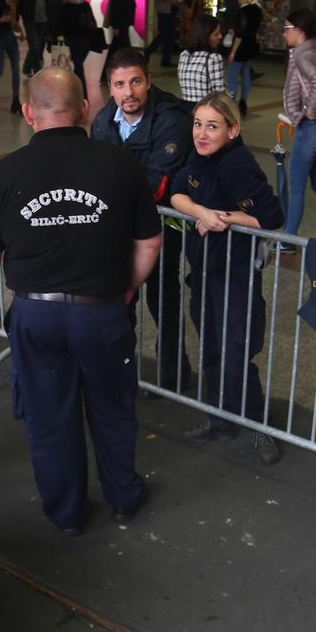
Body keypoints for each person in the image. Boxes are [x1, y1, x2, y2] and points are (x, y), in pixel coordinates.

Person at [0, 69, 162, 537]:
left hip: (35, 314)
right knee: (113, 410)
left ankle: (67, 513)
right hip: (101, 312)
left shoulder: (5, 173)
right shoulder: (119, 164)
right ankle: (123, 498)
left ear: (28, 112)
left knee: (48, 416)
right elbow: (150, 241)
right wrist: (127, 287)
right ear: (85, 109)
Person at [168, 91, 284, 464]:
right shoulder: (199, 157)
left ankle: (259, 425)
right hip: (206, 270)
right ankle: (220, 418)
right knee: (212, 347)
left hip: (236, 273)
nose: (201, 134)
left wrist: (225, 218)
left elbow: (272, 217)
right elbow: (176, 194)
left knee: (237, 351)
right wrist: (202, 212)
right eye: (197, 124)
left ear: (232, 130)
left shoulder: (237, 165)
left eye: (212, 127)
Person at [90, 47, 194, 390]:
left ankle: (173, 375)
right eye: (119, 84)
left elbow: (156, 183)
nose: (128, 92)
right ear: (110, 87)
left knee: (163, 300)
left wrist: (109, 205)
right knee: (120, 301)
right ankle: (122, 373)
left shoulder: (171, 121)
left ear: (149, 81)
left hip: (160, 228)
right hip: (119, 230)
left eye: (135, 82)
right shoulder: (103, 121)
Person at [280, 9, 316, 242]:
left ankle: (289, 239)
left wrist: (309, 112)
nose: (284, 34)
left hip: (310, 129)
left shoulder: (302, 56)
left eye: (286, 29)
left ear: (299, 31)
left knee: (296, 187)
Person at [60, 0, 103, 100]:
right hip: (86, 41)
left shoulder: (66, 6)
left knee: (78, 67)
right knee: (78, 65)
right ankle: (77, 92)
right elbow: (93, 22)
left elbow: (62, 24)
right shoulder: (85, 5)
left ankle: (82, 95)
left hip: (72, 40)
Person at [226, 0, 262, 116]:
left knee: (232, 75)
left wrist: (232, 52)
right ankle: (243, 102)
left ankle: (231, 102)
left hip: (240, 46)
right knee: (245, 73)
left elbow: (240, 33)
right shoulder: (258, 9)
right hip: (251, 44)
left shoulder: (243, 11)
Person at [16, 0, 55, 76]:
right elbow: (19, 0)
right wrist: (18, 16)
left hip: (43, 18)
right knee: (34, 47)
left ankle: (26, 68)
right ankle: (38, 72)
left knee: (37, 46)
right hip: (30, 18)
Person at [143, 0, 183, 69]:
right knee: (163, 33)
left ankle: (166, 58)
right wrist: (170, 0)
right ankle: (149, 50)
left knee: (170, 34)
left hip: (173, 7)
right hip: (164, 9)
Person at [176, 13, 227, 104]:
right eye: (216, 34)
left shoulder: (184, 55)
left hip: (186, 109)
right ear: (205, 37)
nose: (220, 36)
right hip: (205, 109)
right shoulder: (213, 58)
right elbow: (219, 94)